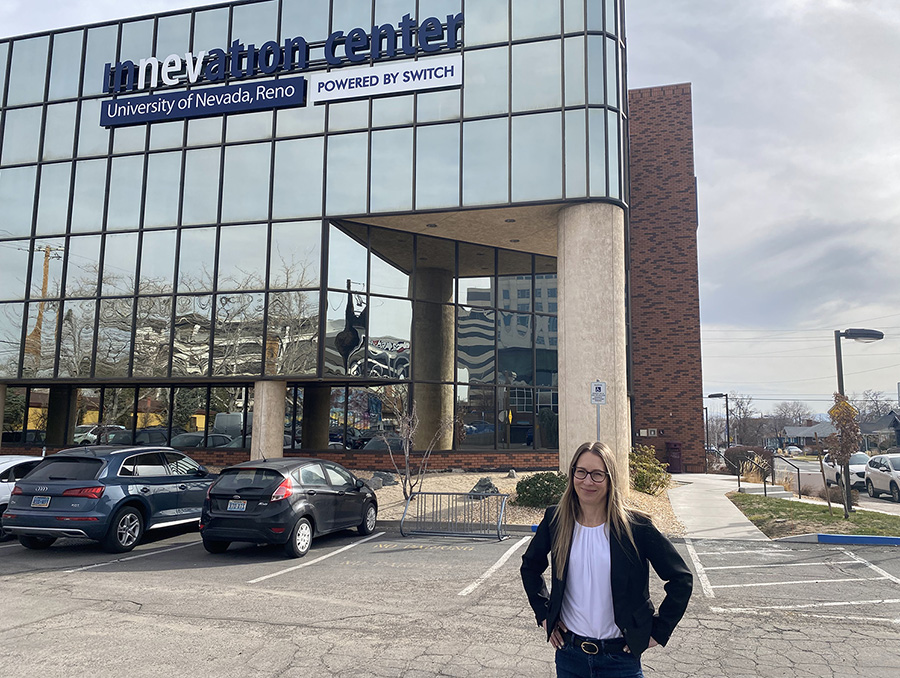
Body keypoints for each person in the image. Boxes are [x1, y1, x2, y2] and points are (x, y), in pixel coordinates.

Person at [520, 441, 693, 677]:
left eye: (597, 474)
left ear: (610, 479)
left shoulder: (635, 527)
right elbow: (530, 566)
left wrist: (659, 631)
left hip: (620, 660)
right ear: (572, 474)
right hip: (570, 656)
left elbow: (681, 579)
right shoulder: (556, 520)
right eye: (581, 472)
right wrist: (544, 615)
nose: (587, 481)